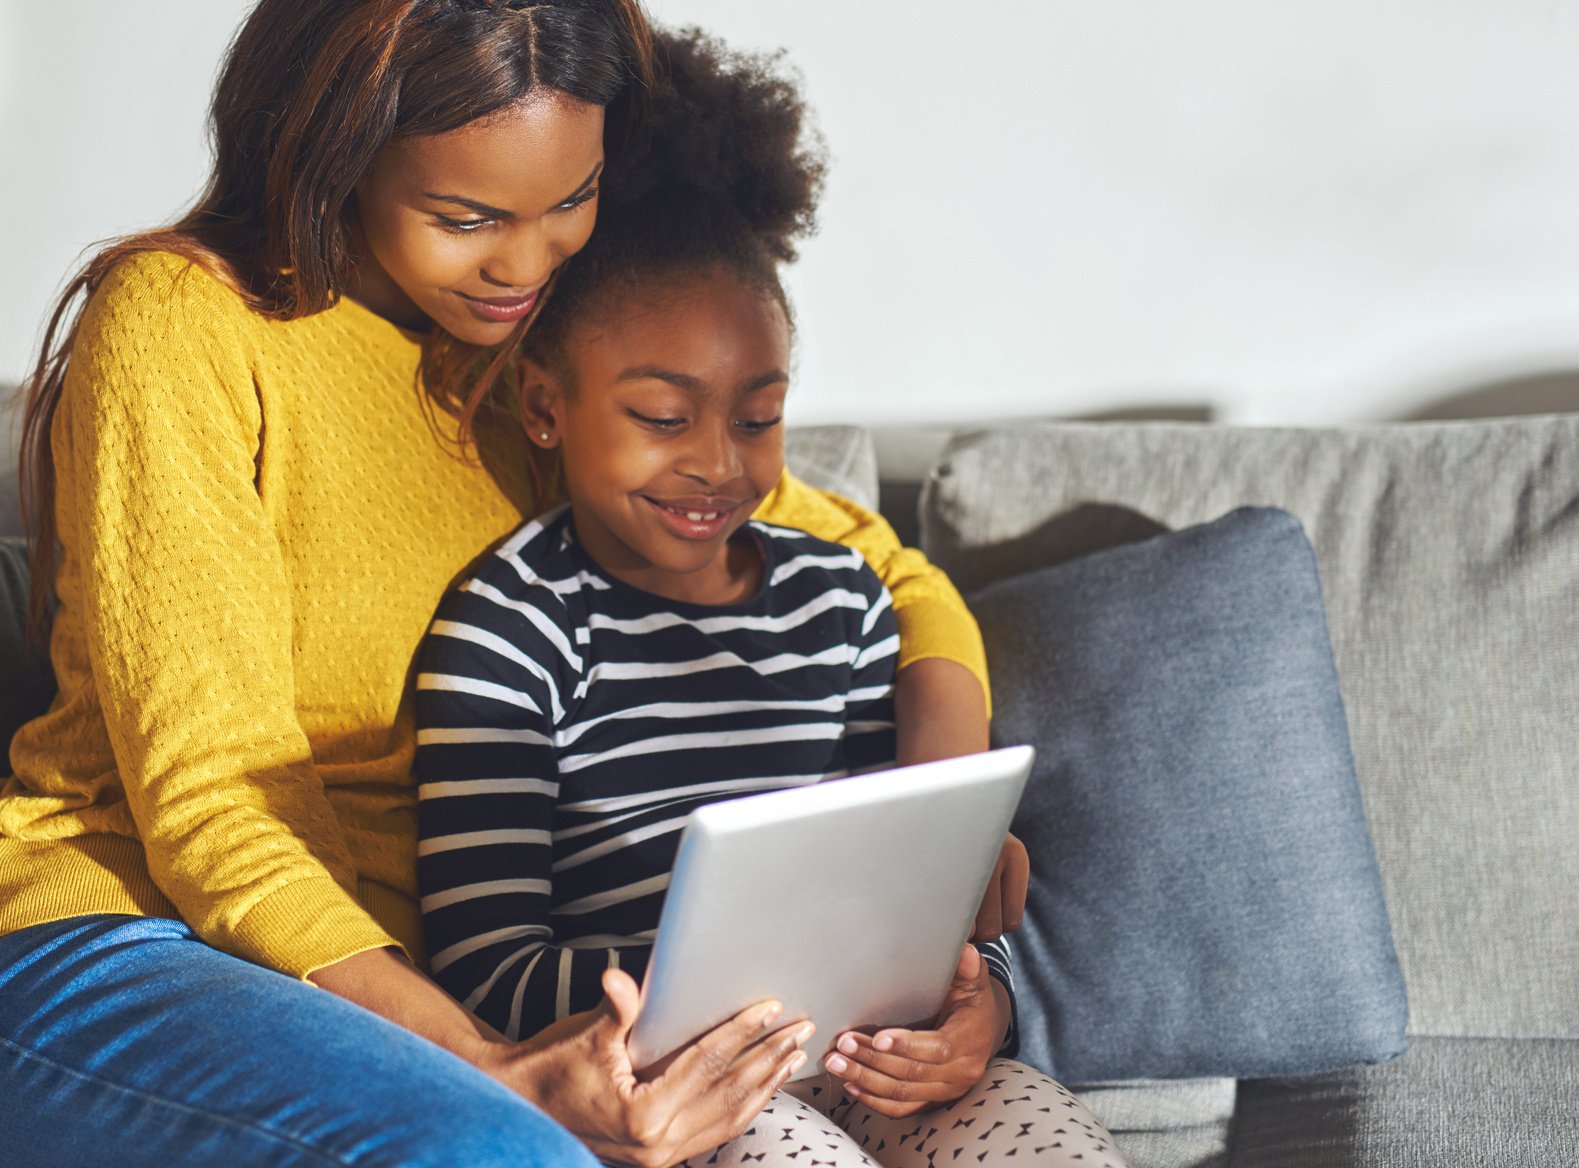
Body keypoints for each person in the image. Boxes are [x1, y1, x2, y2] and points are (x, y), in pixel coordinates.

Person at [0, 3, 1009, 1165]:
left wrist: (942, 850)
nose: (525, 265)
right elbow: (214, 804)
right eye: (466, 216)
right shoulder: (185, 326)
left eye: (569, 201)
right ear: (339, 153)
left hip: (397, 986)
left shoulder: (535, 365)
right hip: (132, 935)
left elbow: (891, 570)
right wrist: (493, 1068)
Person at [412, 29, 1127, 1168]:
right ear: (546, 407)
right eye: (662, 417)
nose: (718, 463)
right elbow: (483, 964)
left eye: (757, 417)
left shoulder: (841, 602)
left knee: (1045, 1137)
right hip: (673, 1085)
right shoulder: (510, 629)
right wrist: (709, 988)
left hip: (862, 1055)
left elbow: (917, 887)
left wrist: (972, 1001)